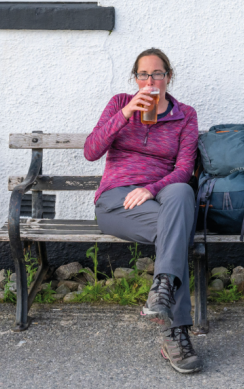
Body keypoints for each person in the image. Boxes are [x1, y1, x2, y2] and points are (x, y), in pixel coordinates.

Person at [83, 48, 202, 374]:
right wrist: (124, 115)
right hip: (116, 201)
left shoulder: (185, 115)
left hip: (160, 196)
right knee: (176, 230)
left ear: (169, 77)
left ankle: (163, 287)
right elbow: (91, 151)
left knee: (181, 191)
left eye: (157, 74)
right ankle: (176, 333)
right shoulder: (120, 102)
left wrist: (150, 188)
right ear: (135, 79)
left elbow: (184, 168)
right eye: (143, 75)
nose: (150, 81)